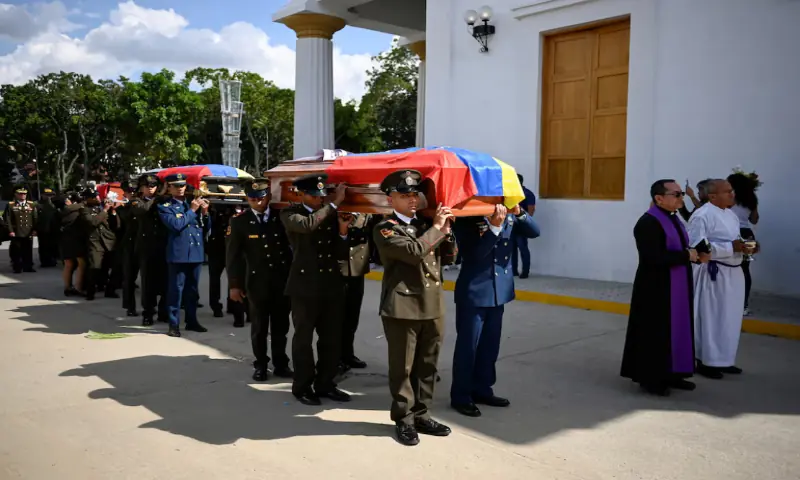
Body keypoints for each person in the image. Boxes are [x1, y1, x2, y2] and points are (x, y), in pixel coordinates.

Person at [373, 169, 458, 447]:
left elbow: (448, 257)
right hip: (403, 307)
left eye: (414, 194)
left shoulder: (426, 224)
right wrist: (436, 227)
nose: (412, 199)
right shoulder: (385, 228)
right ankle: (404, 419)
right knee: (403, 368)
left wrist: (447, 232)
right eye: (404, 195)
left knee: (428, 365)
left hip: (432, 304)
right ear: (390, 199)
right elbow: (412, 253)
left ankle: (422, 415)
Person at [450, 203, 540, 416]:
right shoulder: (468, 217)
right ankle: (461, 396)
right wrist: (494, 229)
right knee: (468, 349)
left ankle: (482, 389)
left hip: (499, 292)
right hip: (475, 293)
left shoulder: (507, 213)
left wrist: (519, 212)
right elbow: (473, 256)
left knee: (490, 347)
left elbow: (535, 232)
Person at [621, 180, 710, 396]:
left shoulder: (674, 218)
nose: (681, 198)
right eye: (677, 194)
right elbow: (651, 257)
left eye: (681, 194)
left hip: (677, 282)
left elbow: (679, 247)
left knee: (677, 328)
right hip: (656, 287)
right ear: (659, 198)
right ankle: (651, 378)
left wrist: (696, 255)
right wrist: (685, 255)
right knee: (656, 332)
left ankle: (674, 373)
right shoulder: (648, 222)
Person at [280, 173, 351, 406]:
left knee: (331, 339)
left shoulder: (329, 215)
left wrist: (342, 232)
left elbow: (340, 254)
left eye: (321, 195)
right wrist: (333, 203)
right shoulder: (290, 213)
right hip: (303, 287)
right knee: (303, 340)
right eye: (313, 195)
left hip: (330, 286)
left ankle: (325, 383)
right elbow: (308, 226)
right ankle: (302, 386)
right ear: (301, 194)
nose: (318, 199)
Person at [687, 179, 756, 379]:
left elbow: (735, 240)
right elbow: (696, 247)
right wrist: (730, 248)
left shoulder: (731, 215)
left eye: (731, 191)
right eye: (727, 191)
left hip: (733, 272)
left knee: (729, 318)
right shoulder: (702, 215)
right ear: (712, 196)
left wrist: (746, 247)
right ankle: (706, 360)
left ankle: (724, 359)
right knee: (712, 319)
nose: (732, 194)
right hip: (713, 273)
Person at [227, 179, 294, 381]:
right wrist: (234, 285)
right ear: (247, 198)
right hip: (257, 284)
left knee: (281, 327)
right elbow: (233, 257)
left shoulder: (280, 218)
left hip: (281, 281)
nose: (257, 202)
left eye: (261, 197)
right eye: (253, 198)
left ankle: (281, 363)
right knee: (259, 328)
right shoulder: (239, 222)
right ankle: (261, 365)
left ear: (269, 196)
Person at [158, 173, 211, 337]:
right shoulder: (165, 206)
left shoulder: (190, 203)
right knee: (176, 291)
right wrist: (193, 210)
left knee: (192, 290)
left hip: (195, 252)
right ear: (170, 188)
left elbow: (206, 228)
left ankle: (192, 321)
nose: (180, 189)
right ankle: (173, 324)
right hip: (179, 254)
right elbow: (176, 225)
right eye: (176, 186)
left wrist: (205, 212)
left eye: (182, 185)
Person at [338, 211, 380, 373]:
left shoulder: (367, 212)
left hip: (357, 269)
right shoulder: (337, 209)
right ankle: (335, 358)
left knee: (351, 316)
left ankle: (348, 353)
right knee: (336, 318)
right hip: (337, 270)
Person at [135, 175, 169, 326]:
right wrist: (158, 198)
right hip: (146, 248)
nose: (150, 188)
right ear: (141, 187)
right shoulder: (137, 201)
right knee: (148, 283)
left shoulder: (163, 200)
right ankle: (148, 313)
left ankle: (163, 311)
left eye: (153, 185)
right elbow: (142, 211)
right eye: (147, 185)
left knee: (165, 282)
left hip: (163, 247)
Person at [727, 172, 760, 315]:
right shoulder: (752, 198)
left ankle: (731, 302)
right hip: (748, 234)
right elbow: (754, 220)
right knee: (745, 270)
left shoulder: (730, 197)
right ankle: (744, 305)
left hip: (732, 234)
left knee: (730, 268)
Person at [79, 188, 119, 301]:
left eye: (97, 196)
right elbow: (93, 222)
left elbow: (115, 225)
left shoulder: (102, 207)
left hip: (109, 241)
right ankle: (90, 292)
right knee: (95, 267)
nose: (97, 198)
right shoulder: (84, 210)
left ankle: (109, 289)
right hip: (95, 242)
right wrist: (105, 210)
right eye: (94, 196)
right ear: (87, 199)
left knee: (115, 267)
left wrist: (113, 212)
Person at [208, 204, 236, 320]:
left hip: (232, 248)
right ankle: (216, 306)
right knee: (214, 279)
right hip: (216, 247)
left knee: (234, 278)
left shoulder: (236, 207)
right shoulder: (212, 209)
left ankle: (232, 304)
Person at [3, 185, 38, 273]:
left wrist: (35, 230)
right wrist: (10, 231)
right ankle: (17, 266)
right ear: (16, 195)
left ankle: (28, 266)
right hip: (16, 231)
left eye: (24, 194)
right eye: (20, 194)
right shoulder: (11, 205)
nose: (22, 196)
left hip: (28, 231)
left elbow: (35, 218)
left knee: (28, 250)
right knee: (16, 250)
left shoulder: (31, 204)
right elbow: (7, 219)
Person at [59, 192, 86, 296]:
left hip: (64, 240)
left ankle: (67, 287)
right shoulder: (75, 210)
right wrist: (82, 203)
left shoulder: (59, 212)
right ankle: (78, 287)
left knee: (68, 264)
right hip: (75, 240)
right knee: (81, 263)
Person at [511, 174, 537, 278]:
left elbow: (531, 211)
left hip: (521, 225)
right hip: (511, 224)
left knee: (522, 248)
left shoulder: (527, 194)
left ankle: (525, 272)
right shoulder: (512, 194)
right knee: (512, 249)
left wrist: (525, 223)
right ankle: (513, 271)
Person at [36, 187, 60, 268]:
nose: (49, 197)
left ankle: (53, 259)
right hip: (42, 229)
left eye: (51, 195)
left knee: (53, 245)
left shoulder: (56, 204)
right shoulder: (38, 205)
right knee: (43, 246)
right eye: (47, 195)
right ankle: (45, 261)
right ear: (42, 195)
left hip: (53, 229)